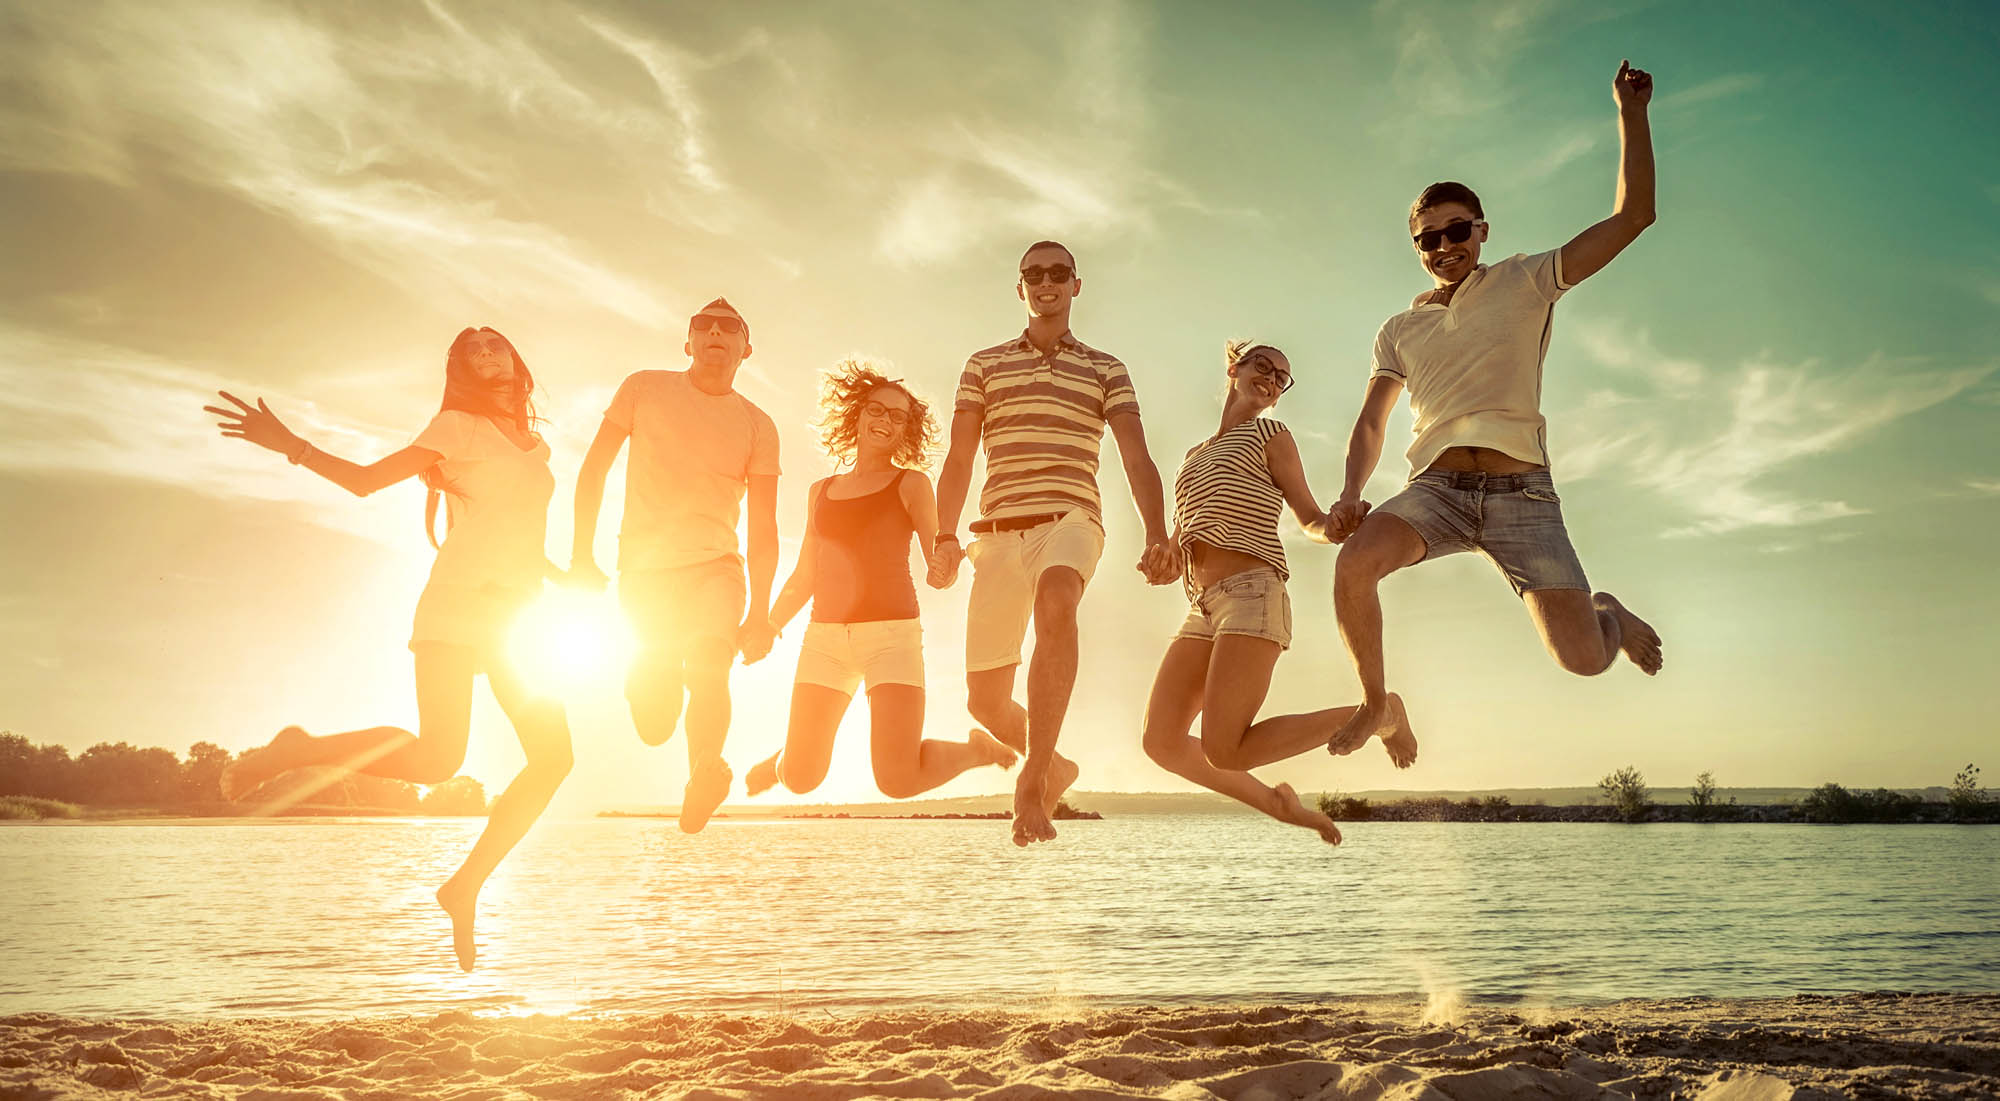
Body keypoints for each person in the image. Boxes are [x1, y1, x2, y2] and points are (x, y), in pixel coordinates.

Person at [207, 326, 572, 972]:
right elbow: (367, 481)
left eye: (495, 343)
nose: (487, 352)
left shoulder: (536, 448)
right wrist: (290, 444)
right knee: (438, 758)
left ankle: (465, 886)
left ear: (517, 358)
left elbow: (507, 531)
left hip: (514, 617)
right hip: (458, 606)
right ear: (461, 370)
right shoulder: (455, 426)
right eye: (472, 350)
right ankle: (298, 751)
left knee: (553, 758)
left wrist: (564, 573)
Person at [1327, 61, 1666, 755]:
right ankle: (1375, 702)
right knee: (1354, 562)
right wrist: (1351, 493)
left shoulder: (1527, 279)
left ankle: (1608, 612)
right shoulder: (1399, 328)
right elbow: (1371, 421)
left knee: (1581, 659)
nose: (1444, 247)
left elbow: (1635, 217)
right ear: (1416, 246)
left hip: (1523, 497)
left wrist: (1631, 114)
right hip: (1437, 492)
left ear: (1482, 230)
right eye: (1429, 238)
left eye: (1457, 232)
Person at [931, 240, 1179, 847]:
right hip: (994, 534)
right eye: (1033, 274)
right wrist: (941, 535)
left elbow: (1135, 455)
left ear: (1075, 285)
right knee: (985, 703)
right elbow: (960, 456)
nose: (1046, 282)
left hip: (1069, 518)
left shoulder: (1105, 368)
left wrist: (1157, 534)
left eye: (1058, 273)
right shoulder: (983, 365)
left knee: (1057, 602)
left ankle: (1035, 775)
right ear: (1020, 288)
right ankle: (1059, 763)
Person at [1141, 341, 1411, 844]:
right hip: (1201, 606)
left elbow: (1308, 516)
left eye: (1281, 376)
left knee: (1226, 749)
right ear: (1234, 368)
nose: (1270, 377)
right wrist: (1162, 562)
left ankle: (1383, 712)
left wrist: (1333, 527)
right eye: (1261, 365)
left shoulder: (1271, 434)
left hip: (1252, 594)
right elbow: (1181, 542)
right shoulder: (1193, 455)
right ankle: (1278, 806)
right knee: (1160, 742)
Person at [745, 362, 1018, 801]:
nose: (885, 420)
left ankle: (974, 751)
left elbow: (937, 560)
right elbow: (804, 576)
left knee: (896, 780)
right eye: (877, 410)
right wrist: (768, 625)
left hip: (892, 638)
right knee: (800, 777)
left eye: (897, 417)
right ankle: (783, 761)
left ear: (906, 431)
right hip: (824, 641)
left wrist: (944, 566)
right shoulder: (821, 490)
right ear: (857, 414)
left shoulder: (910, 483)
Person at [570, 298, 780, 833]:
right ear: (687, 343)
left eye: (729, 326)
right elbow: (594, 470)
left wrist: (761, 613)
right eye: (702, 326)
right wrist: (581, 555)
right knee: (655, 723)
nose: (715, 331)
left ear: (745, 348)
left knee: (710, 663)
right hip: (645, 574)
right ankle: (646, 683)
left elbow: (763, 530)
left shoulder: (758, 425)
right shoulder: (644, 388)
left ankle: (702, 775)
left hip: (717, 568)